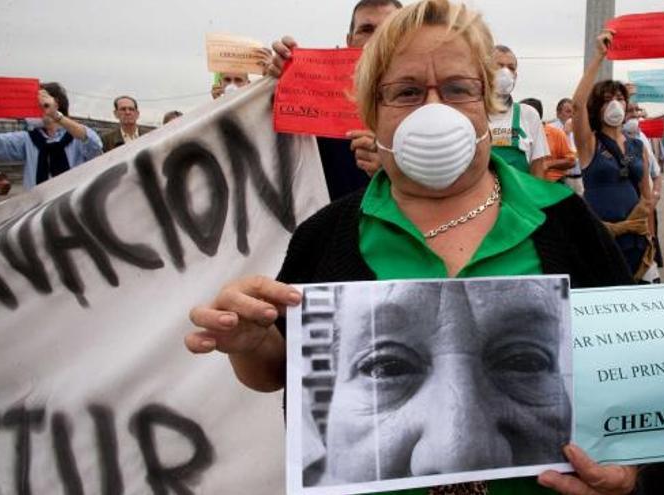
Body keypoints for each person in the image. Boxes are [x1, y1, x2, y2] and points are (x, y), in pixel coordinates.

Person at [186, 2, 637, 494]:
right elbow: (280, 371)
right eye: (405, 91)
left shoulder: (565, 222)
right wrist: (251, 344)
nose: (434, 109)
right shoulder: (325, 236)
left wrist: (628, 474)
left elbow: (634, 377)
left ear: (487, 103)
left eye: (458, 88)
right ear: (371, 113)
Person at [303, 278, 572, 485]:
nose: (460, 459)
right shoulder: (324, 233)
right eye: (387, 368)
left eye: (525, 362)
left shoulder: (572, 225)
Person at [267, 0, 402, 200]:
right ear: (349, 40)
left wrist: (394, 172)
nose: (377, 40)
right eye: (366, 30)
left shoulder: (428, 101)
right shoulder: (315, 94)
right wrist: (280, 78)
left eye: (389, 30)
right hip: (331, 222)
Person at [571, 29, 654, 282]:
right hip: (599, 237)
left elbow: (646, 196)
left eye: (620, 98)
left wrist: (651, 236)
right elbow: (577, 105)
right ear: (597, 106)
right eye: (608, 99)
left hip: (634, 240)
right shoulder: (589, 142)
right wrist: (599, 57)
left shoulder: (637, 146)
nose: (615, 103)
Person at [0, 82, 102, 191]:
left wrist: (56, 115)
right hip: (38, 205)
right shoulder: (28, 139)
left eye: (36, 103)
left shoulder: (76, 134)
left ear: (56, 103)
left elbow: (95, 148)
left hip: (72, 205)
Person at [489, 45, 550, 177]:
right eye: (499, 66)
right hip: (482, 196)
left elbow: (538, 166)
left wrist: (535, 196)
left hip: (519, 196)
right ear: (485, 71)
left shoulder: (528, 115)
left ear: (515, 76)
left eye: (511, 68)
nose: (505, 72)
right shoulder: (472, 115)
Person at [623, 103, 663, 282]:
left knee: (647, 257)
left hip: (646, 209)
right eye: (628, 111)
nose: (633, 115)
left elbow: (656, 173)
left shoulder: (643, 138)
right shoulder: (614, 142)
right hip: (628, 211)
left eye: (635, 111)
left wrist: (655, 194)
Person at [520, 98, 576, 183]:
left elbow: (571, 161)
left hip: (553, 186)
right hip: (524, 184)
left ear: (535, 115)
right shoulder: (516, 135)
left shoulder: (556, 134)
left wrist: (548, 164)